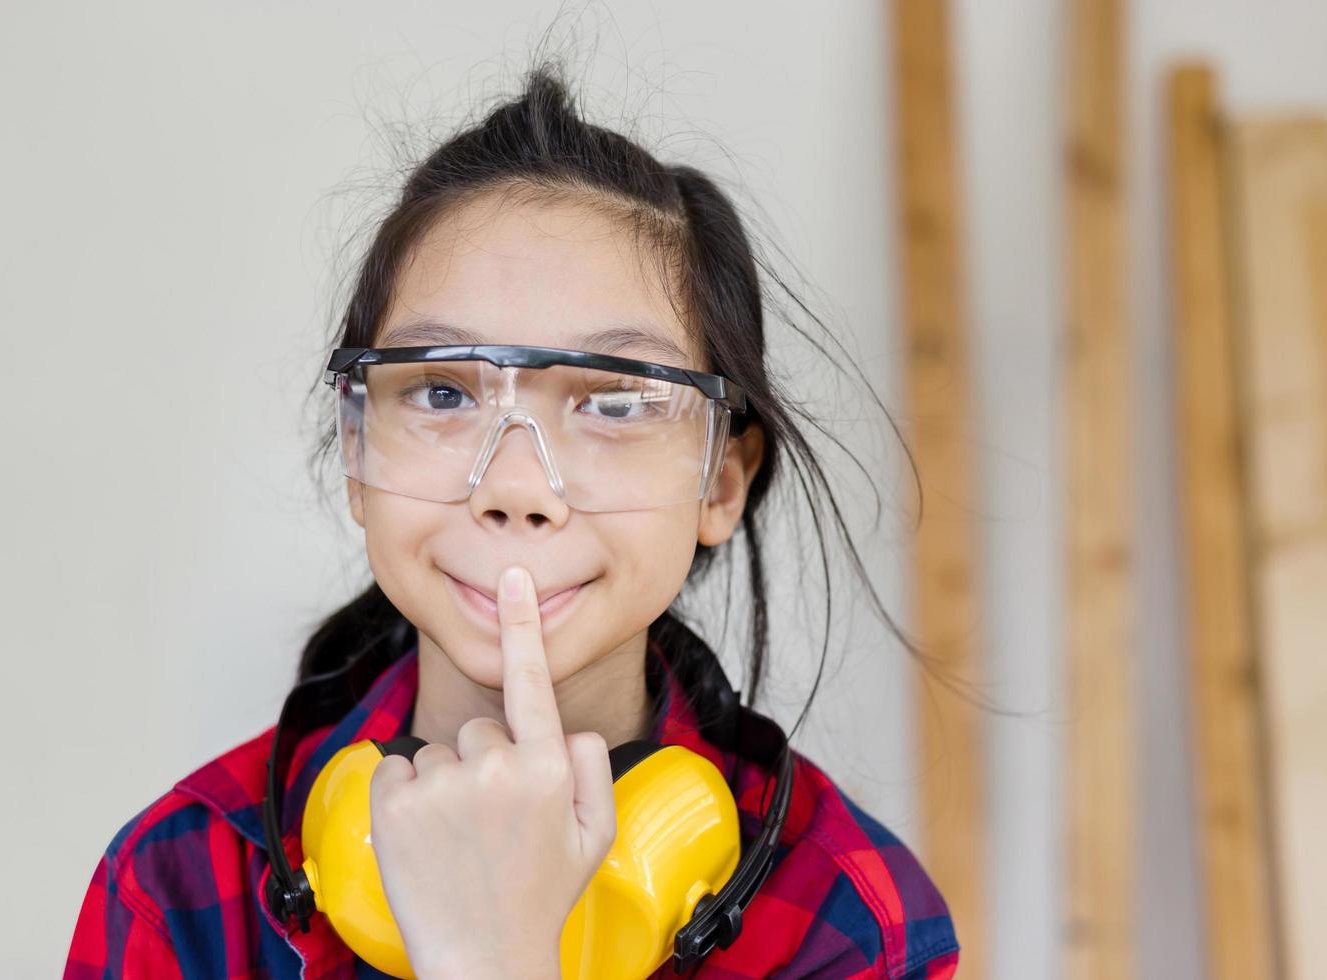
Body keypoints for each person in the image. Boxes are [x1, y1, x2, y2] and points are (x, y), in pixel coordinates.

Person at [63, 59, 960, 979]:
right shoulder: (177, 882)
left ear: (720, 482)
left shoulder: (853, 918)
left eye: (615, 402)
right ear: (358, 457)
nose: (518, 485)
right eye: (443, 390)